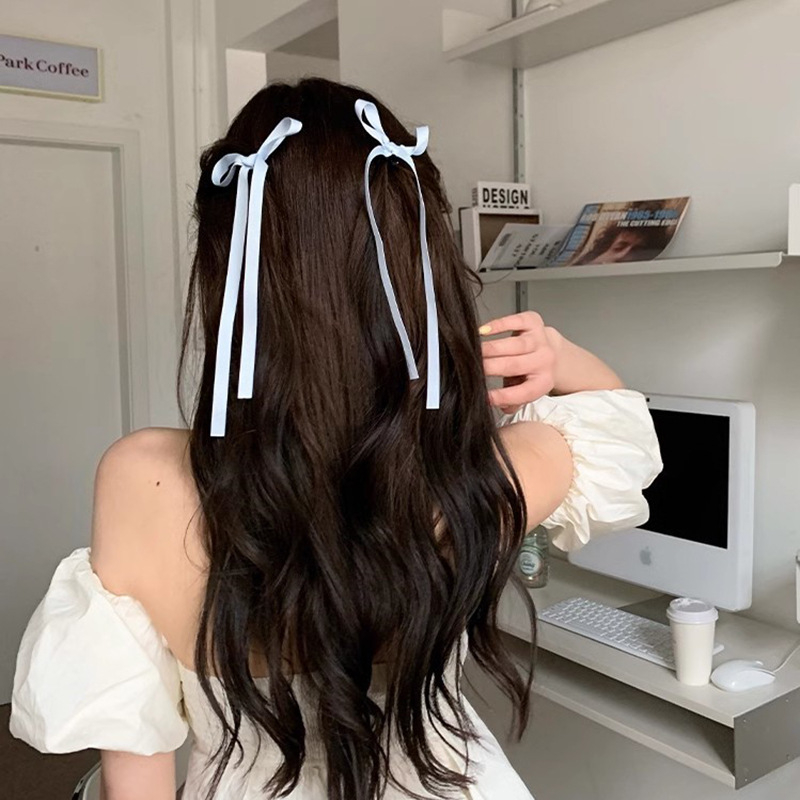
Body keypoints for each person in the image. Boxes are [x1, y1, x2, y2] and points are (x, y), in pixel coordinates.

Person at [9, 78, 662, 800]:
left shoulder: (141, 478)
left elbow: (135, 771)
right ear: (421, 266)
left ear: (228, 266)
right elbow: (614, 424)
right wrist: (555, 355)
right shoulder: (480, 472)